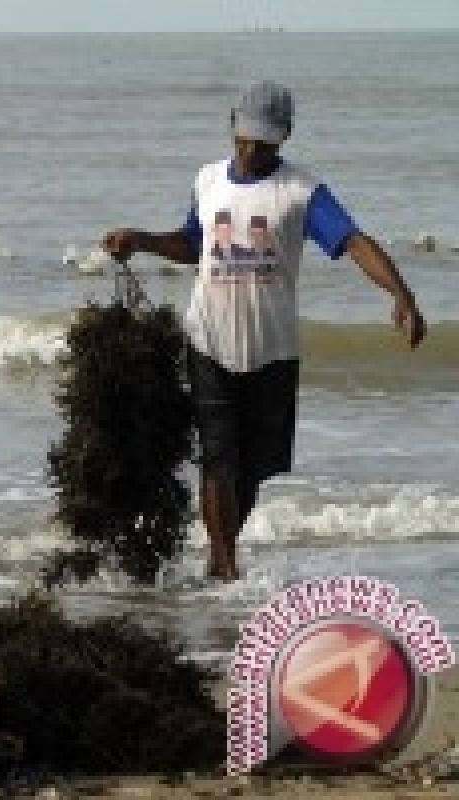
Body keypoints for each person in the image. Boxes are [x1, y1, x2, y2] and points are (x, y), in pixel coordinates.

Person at [101, 80, 427, 581]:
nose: (251, 150)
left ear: (285, 137)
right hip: (208, 340)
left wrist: (401, 294)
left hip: (272, 351)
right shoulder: (207, 182)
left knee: (252, 472)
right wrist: (140, 240)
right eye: (244, 138)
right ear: (232, 124)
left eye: (263, 142)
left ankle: (219, 556)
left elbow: (354, 241)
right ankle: (225, 567)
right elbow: (194, 243)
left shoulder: (302, 192)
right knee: (218, 458)